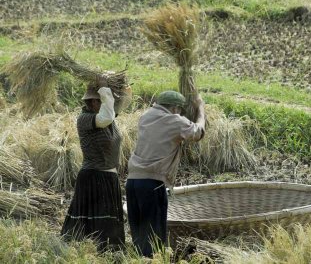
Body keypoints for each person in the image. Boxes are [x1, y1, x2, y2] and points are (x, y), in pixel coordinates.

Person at [126, 90, 206, 257]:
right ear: (175, 108)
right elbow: (198, 132)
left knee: (139, 235)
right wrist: (200, 109)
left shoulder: (146, 116)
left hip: (133, 182)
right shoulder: (174, 120)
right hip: (152, 184)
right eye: (180, 110)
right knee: (153, 237)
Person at [61, 79, 125, 252]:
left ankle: (107, 255)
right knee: (89, 222)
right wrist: (104, 89)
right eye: (93, 100)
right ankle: (81, 254)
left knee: (108, 222)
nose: (95, 102)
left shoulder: (111, 118)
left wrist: (114, 88)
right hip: (93, 176)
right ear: (89, 102)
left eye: (98, 100)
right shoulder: (85, 119)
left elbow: (115, 109)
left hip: (110, 177)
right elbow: (105, 117)